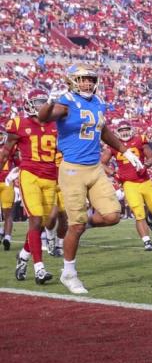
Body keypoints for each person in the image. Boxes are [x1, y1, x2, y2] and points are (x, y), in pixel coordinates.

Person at [37, 64, 143, 294]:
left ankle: (82, 227)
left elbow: (103, 130)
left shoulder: (97, 102)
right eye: (82, 79)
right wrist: (49, 101)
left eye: (90, 79)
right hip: (73, 169)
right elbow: (44, 118)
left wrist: (125, 151)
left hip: (95, 167)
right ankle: (69, 273)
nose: (87, 83)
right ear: (72, 81)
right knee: (75, 225)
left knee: (113, 215)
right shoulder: (65, 102)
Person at [2, 88, 58, 284]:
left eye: (44, 102)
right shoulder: (19, 123)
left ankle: (23, 256)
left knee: (42, 223)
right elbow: (6, 151)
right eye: (38, 102)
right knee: (35, 220)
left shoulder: (57, 124)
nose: (42, 106)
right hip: (30, 175)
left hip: (51, 177)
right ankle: (39, 268)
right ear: (29, 104)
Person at [100, 120, 152, 252]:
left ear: (131, 129)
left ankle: (150, 220)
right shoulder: (113, 145)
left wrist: (145, 166)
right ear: (117, 132)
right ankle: (147, 241)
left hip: (144, 180)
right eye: (121, 130)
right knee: (138, 213)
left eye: (126, 129)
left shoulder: (140, 140)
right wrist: (114, 174)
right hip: (128, 183)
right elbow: (102, 163)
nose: (124, 132)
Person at [0, 134, 17, 251]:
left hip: (6, 182)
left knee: (8, 214)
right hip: (6, 184)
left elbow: (20, 163)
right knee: (7, 214)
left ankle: (7, 237)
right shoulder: (10, 148)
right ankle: (5, 235)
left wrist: (13, 176)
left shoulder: (10, 148)